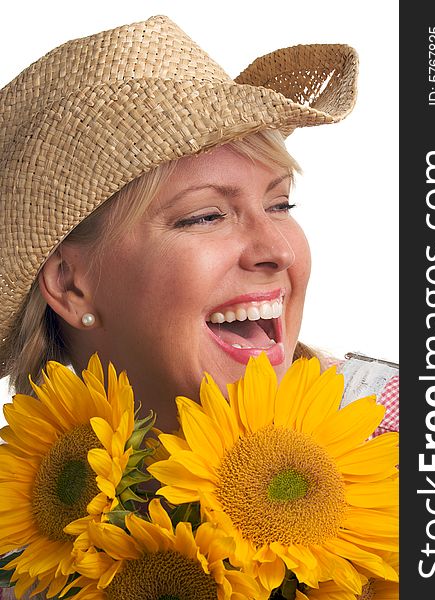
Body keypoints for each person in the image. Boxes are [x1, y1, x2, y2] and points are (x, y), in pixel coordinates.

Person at [0, 14, 398, 599]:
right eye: (205, 215)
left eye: (281, 205)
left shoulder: (414, 439)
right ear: (71, 285)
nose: (278, 250)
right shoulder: (20, 555)